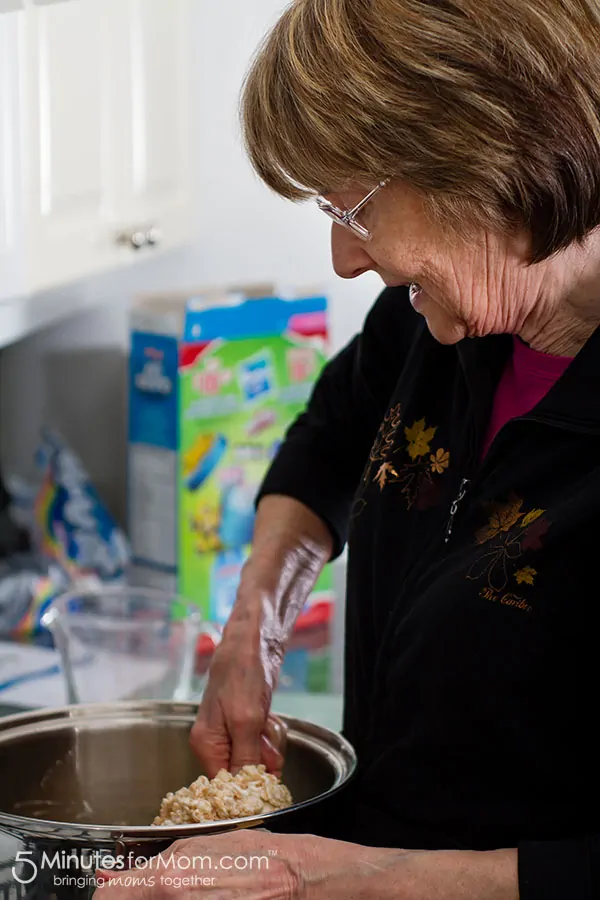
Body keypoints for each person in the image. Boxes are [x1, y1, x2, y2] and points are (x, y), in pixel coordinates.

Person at [98, 1, 600, 897]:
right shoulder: (437, 318)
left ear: (495, 157)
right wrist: (257, 620)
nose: (341, 257)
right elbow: (331, 436)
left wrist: (352, 877)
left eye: (354, 205)